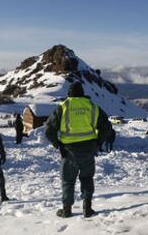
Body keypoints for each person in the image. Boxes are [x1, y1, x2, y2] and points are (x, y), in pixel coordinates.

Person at [45, 82, 111, 218]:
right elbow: (107, 127)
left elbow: (49, 130)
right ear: (82, 93)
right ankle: (87, 208)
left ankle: (67, 210)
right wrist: (97, 143)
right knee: (87, 178)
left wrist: (58, 145)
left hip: (68, 151)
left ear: (69, 93)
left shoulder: (63, 107)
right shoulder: (92, 106)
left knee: (68, 181)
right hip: (88, 149)